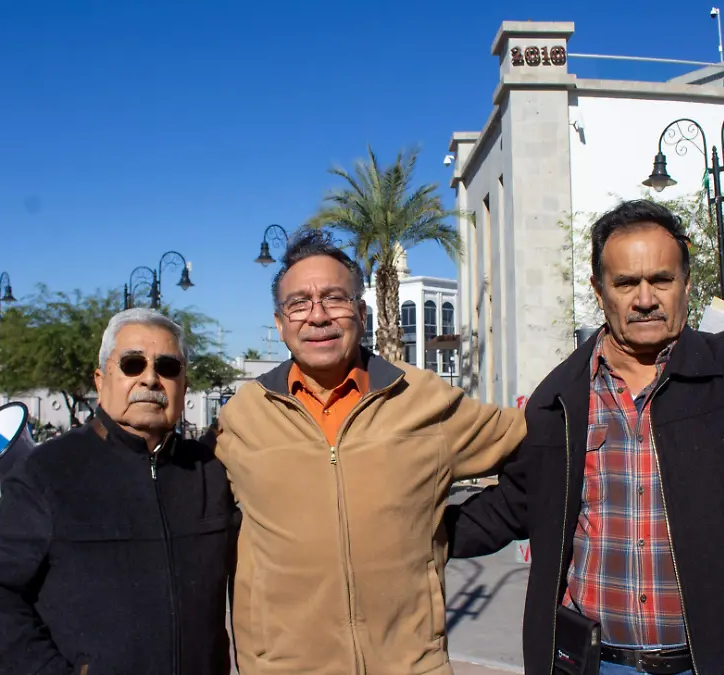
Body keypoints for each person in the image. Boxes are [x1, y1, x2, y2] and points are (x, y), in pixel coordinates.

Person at [444, 200, 724, 675]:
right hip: (594, 664)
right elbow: (517, 504)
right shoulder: (560, 396)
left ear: (686, 283)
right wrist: (409, 531)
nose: (645, 299)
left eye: (661, 280)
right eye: (626, 283)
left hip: (716, 662)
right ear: (599, 291)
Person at [212, 230, 527, 674]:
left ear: (362, 313)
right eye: (299, 303)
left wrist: (453, 531)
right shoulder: (241, 418)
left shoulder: (423, 399)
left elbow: (534, 447)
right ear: (280, 323)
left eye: (335, 299)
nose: (317, 316)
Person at [0, 308, 237, 675]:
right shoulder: (47, 471)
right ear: (100, 378)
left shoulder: (210, 470)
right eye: (132, 364)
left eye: (168, 368)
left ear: (184, 386)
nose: (151, 379)